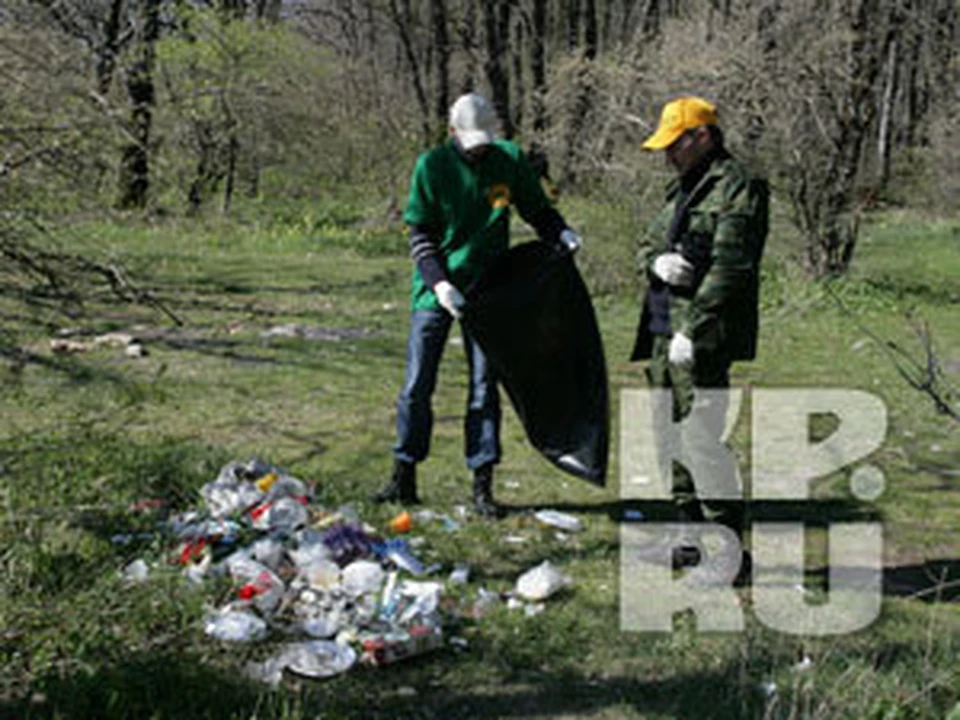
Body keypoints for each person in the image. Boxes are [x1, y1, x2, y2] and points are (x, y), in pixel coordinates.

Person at [374, 92, 583, 518]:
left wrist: (559, 233)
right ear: (452, 132)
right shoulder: (432, 166)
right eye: (471, 142)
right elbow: (421, 235)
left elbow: (536, 209)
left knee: (485, 388)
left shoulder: (508, 160)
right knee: (418, 384)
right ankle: (404, 474)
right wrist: (439, 285)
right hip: (435, 289)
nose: (479, 149)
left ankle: (482, 483)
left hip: (491, 290)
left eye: (485, 141)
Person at [631, 96, 769, 579]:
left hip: (701, 334)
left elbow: (732, 267)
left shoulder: (738, 187)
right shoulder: (682, 188)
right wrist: (654, 261)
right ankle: (688, 539)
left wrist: (695, 328)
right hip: (662, 324)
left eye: (675, 143)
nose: (668, 154)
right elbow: (648, 241)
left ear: (704, 136)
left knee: (702, 440)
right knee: (668, 437)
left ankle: (731, 555)